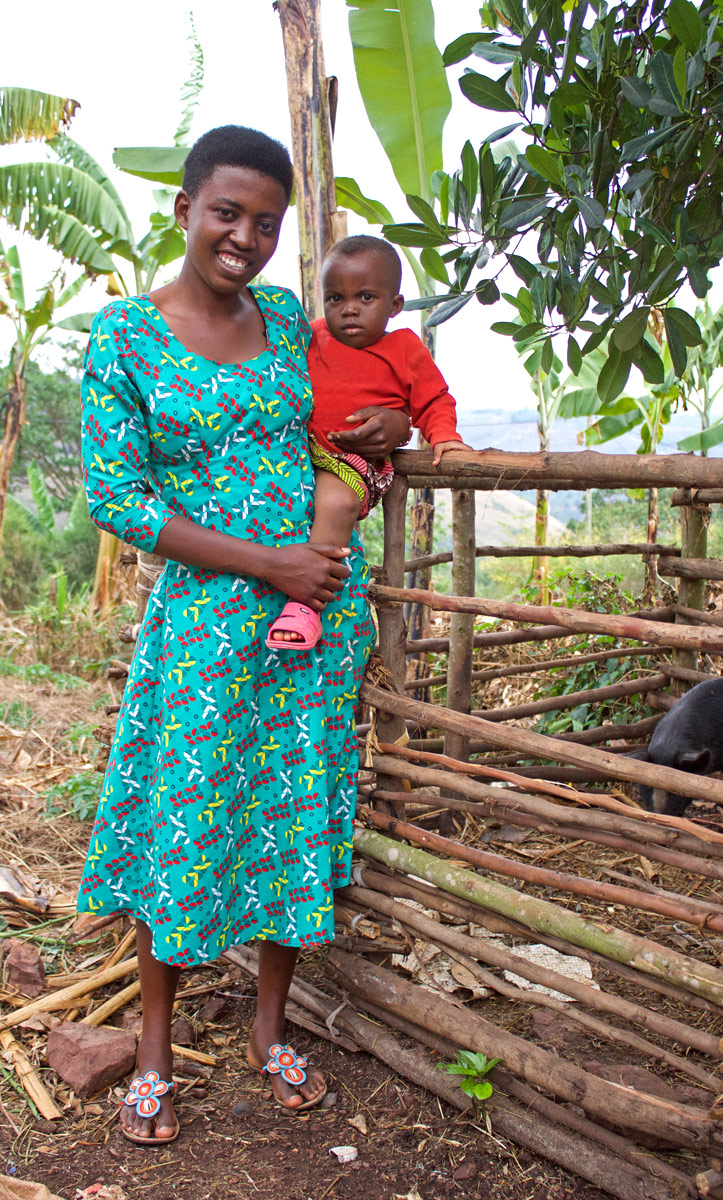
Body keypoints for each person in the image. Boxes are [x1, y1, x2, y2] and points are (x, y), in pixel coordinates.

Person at [77, 126, 410, 1145]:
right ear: (183, 211)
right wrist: (269, 563)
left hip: (312, 632)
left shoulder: (282, 316)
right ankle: (153, 1052)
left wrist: (390, 424)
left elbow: (353, 402)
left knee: (289, 823)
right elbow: (118, 498)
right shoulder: (124, 338)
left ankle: (271, 1033)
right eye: (227, 212)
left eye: (266, 222)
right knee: (186, 823)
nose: (245, 237)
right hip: (206, 632)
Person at [266, 234, 471, 649]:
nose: (349, 310)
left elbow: (433, 398)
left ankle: (304, 607)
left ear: (394, 305)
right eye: (335, 298)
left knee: (336, 503)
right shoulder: (311, 337)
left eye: (365, 297)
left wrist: (444, 437)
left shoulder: (404, 348)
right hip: (302, 450)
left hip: (352, 460)